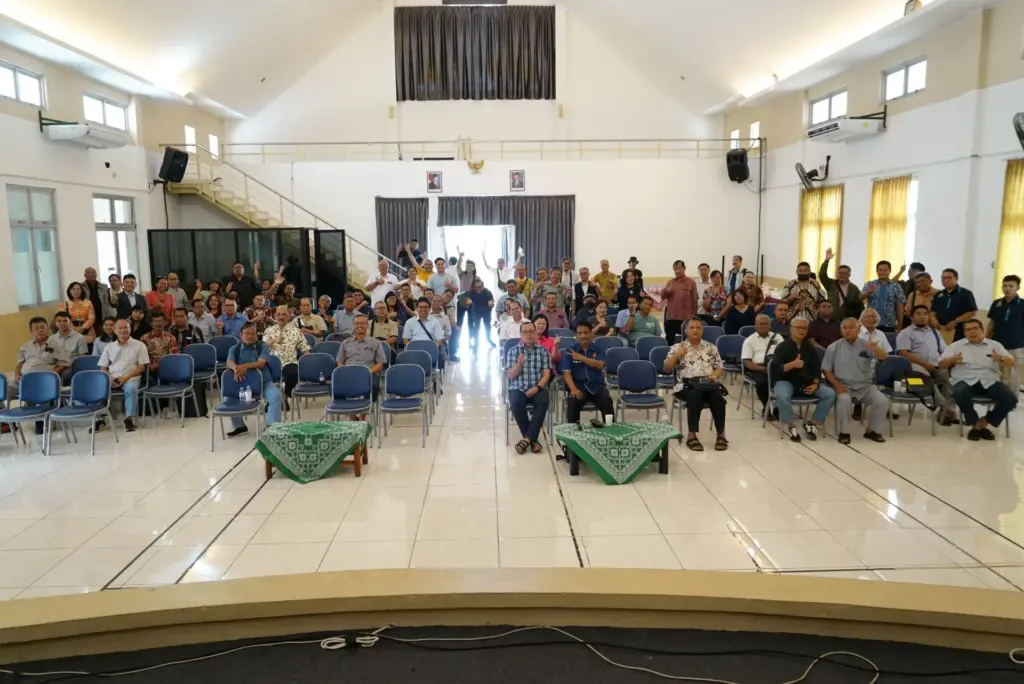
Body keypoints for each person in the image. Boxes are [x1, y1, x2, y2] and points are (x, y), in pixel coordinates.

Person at [940, 319, 1018, 440]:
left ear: (982, 330)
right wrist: (952, 360)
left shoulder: (995, 345)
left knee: (1010, 398)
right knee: (960, 392)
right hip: (964, 380)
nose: (972, 332)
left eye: (975, 328)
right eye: (968, 330)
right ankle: (974, 422)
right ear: (964, 333)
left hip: (990, 380)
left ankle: (983, 423)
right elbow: (941, 364)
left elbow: (1011, 361)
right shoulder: (956, 346)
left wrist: (1001, 359)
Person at [822, 318, 891, 444]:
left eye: (851, 327)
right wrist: (838, 386)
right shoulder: (833, 347)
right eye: (844, 328)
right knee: (844, 400)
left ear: (858, 329)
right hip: (843, 385)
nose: (847, 330)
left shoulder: (867, 344)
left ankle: (873, 431)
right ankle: (844, 433)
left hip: (865, 385)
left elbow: (884, 357)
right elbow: (826, 371)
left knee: (882, 401)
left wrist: (876, 349)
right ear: (841, 331)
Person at [664, 318, 728, 452]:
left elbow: (719, 368)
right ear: (686, 330)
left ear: (702, 330)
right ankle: (691, 435)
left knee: (718, 397)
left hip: (707, 383)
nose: (695, 330)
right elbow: (666, 367)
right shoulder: (678, 347)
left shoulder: (711, 347)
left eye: (698, 328)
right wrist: (677, 355)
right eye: (691, 327)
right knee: (695, 395)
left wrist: (713, 376)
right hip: (686, 385)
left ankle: (721, 434)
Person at [770, 317, 837, 441]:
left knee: (830, 394)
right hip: (785, 381)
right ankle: (791, 425)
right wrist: (792, 365)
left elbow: (816, 369)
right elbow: (775, 369)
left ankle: (812, 423)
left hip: (806, 382)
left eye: (804, 328)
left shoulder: (810, 348)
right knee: (782, 396)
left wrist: (816, 384)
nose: (802, 330)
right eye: (798, 328)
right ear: (791, 329)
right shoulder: (782, 347)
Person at [896, 304, 957, 424]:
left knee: (951, 378)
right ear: (912, 317)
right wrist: (925, 364)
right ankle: (945, 407)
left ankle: (945, 414)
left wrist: (949, 360)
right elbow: (904, 353)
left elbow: (945, 350)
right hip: (916, 366)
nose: (922, 317)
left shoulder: (935, 332)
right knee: (925, 377)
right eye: (918, 314)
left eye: (925, 314)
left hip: (936, 365)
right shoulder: (905, 333)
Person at [13, 316, 70, 433]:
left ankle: (41, 420)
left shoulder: (57, 344)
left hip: (44, 380)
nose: (40, 330)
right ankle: (4, 422)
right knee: (4, 388)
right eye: (36, 328)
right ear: (31, 331)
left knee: (41, 388)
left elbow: (64, 364)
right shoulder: (25, 346)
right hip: (24, 379)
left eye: (42, 327)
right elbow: (19, 364)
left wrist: (52, 373)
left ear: (47, 329)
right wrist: (17, 374)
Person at [225, 322, 282, 437]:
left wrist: (245, 366)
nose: (250, 336)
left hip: (264, 382)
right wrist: (235, 368)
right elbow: (229, 362)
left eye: (253, 334)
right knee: (229, 398)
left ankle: (272, 427)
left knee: (276, 396)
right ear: (241, 335)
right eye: (247, 333)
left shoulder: (262, 346)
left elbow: (261, 363)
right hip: (242, 383)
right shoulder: (234, 349)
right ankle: (240, 427)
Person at [506, 320, 552, 454]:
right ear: (521, 335)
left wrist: (538, 387)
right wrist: (519, 364)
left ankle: (526, 440)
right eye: (525, 332)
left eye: (531, 331)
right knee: (515, 402)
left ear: (536, 333)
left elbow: (547, 373)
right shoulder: (513, 351)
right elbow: (511, 376)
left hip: (538, 387)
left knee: (543, 401)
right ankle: (532, 440)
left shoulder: (543, 351)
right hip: (518, 387)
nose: (529, 334)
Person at [98, 319, 149, 433]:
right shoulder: (109, 347)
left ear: (130, 329)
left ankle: (130, 419)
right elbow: (103, 367)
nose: (123, 330)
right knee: (99, 388)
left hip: (131, 378)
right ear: (115, 330)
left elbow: (141, 367)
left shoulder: (139, 345)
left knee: (131, 388)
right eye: (120, 328)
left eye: (125, 327)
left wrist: (125, 378)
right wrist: (109, 378)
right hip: (113, 378)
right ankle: (100, 419)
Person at [560, 320, 614, 424]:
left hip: (596, 386)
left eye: (586, 332)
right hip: (578, 387)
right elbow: (567, 374)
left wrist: (581, 358)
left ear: (591, 333)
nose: (583, 336)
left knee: (607, 400)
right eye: (580, 333)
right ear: (576, 335)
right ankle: (573, 431)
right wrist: (573, 389)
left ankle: (610, 428)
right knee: (573, 402)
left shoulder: (598, 350)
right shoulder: (569, 351)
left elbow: (600, 365)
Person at [740, 314, 784, 420]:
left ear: (770, 325)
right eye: (761, 324)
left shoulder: (778, 337)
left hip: (776, 366)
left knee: (784, 381)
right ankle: (766, 407)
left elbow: (785, 354)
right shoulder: (749, 340)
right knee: (762, 383)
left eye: (766, 324)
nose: (763, 326)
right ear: (756, 325)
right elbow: (747, 362)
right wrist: (764, 369)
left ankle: (778, 407)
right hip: (758, 368)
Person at [336, 314, 386, 406]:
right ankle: (348, 410)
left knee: (373, 386)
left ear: (367, 325)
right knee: (335, 386)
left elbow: (380, 364)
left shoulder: (376, 343)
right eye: (357, 323)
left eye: (363, 323)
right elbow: (339, 361)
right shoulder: (345, 343)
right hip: (348, 374)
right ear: (353, 325)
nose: (360, 325)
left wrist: (366, 373)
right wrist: (345, 372)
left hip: (368, 374)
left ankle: (365, 410)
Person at [263, 305, 310, 404]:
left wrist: (307, 362)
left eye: (284, 314)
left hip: (290, 362)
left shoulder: (296, 331)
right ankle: (272, 400)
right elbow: (262, 347)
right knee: (264, 374)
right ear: (275, 316)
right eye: (278, 314)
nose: (281, 317)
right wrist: (274, 340)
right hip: (272, 363)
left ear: (289, 316)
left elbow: (305, 348)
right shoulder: (269, 331)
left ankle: (284, 397)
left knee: (293, 373)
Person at [987, 274, 1024, 395]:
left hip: (1016, 345)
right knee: (996, 372)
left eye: (1011, 286)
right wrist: (986, 338)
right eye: (1005, 286)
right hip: (997, 344)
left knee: (1014, 374)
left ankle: (1012, 399)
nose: (1007, 288)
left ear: (1018, 288)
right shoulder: (997, 303)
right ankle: (998, 397)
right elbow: (992, 322)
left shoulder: (1022, 304)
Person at [931, 268, 977, 343]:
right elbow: (933, 311)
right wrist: (933, 319)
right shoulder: (939, 294)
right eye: (943, 278)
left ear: (956, 278)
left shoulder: (966, 293)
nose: (945, 280)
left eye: (949, 278)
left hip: (959, 331)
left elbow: (971, 312)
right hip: (940, 331)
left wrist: (955, 322)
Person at [861, 260, 906, 332]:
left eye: (885, 270)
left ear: (889, 271)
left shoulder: (896, 286)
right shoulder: (870, 284)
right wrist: (868, 292)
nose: (883, 272)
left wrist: (899, 325)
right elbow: (860, 298)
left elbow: (900, 306)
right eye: (880, 270)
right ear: (877, 271)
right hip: (871, 323)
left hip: (889, 324)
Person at [818, 248, 862, 320]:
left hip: (847, 321)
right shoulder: (831, 284)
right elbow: (822, 275)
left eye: (845, 273)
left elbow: (859, 305)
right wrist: (826, 261)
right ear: (836, 274)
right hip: (831, 320)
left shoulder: (854, 288)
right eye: (840, 273)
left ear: (849, 275)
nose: (842, 275)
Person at [662, 260, 698, 345]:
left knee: (687, 342)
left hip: (686, 318)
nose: (677, 271)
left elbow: (694, 301)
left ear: (684, 268)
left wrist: (693, 317)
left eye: (679, 268)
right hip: (671, 317)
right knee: (670, 342)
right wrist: (667, 291)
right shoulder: (670, 282)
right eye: (675, 269)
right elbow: (662, 296)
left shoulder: (691, 283)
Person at [49, 311, 88, 383]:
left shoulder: (80, 338)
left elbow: (82, 359)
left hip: (71, 366)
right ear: (55, 323)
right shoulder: (51, 339)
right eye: (59, 321)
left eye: (65, 321)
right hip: (56, 365)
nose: (62, 323)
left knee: (65, 374)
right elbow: (48, 356)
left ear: (70, 322)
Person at [140, 310, 179, 376]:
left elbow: (174, 357)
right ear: (151, 323)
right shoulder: (144, 338)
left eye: (160, 321)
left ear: (165, 322)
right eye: (155, 321)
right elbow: (140, 357)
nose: (158, 323)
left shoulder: (171, 338)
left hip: (166, 368)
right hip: (149, 370)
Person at [464, 278, 495, 352]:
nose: (478, 289)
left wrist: (491, 304)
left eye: (480, 287)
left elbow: (491, 303)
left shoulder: (488, 292)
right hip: (476, 312)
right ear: (474, 287)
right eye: (476, 287)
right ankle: (476, 342)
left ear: (483, 285)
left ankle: (489, 339)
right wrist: (467, 302)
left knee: (487, 326)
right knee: (476, 327)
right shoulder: (471, 292)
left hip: (486, 312)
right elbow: (466, 302)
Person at [81, 267, 114, 336]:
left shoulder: (104, 286)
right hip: (87, 319)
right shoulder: (81, 287)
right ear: (85, 275)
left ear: (96, 274)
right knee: (89, 339)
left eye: (93, 272)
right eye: (88, 273)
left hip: (101, 317)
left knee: (103, 337)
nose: (91, 274)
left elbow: (107, 302)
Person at [429, 295, 453, 368]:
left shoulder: (445, 318)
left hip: (439, 342)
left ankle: (437, 370)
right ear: (431, 302)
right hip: (426, 340)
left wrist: (440, 341)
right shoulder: (426, 315)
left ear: (442, 303)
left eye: (438, 301)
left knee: (439, 353)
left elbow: (448, 334)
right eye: (434, 301)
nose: (436, 303)